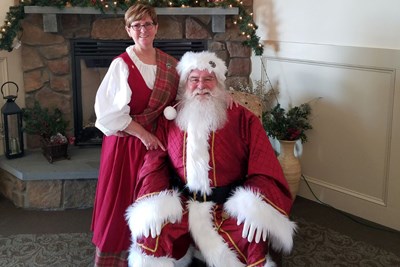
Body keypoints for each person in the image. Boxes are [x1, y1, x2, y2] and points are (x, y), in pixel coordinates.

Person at [125, 51, 297, 267]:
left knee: (250, 236)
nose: (201, 85)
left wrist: (255, 204)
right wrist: (153, 202)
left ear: (219, 84)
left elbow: (264, 165)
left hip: (226, 204)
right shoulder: (169, 118)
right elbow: (154, 164)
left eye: (208, 79)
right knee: (151, 236)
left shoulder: (242, 118)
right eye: (194, 79)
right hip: (182, 202)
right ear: (185, 84)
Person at [91, 3, 180, 266]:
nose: (143, 30)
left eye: (148, 24)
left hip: (157, 145)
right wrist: (143, 134)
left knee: (151, 203)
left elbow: (185, 96)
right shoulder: (121, 65)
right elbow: (107, 114)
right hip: (125, 146)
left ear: (156, 27)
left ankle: (148, 257)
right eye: (137, 25)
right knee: (122, 203)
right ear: (129, 30)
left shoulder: (170, 64)